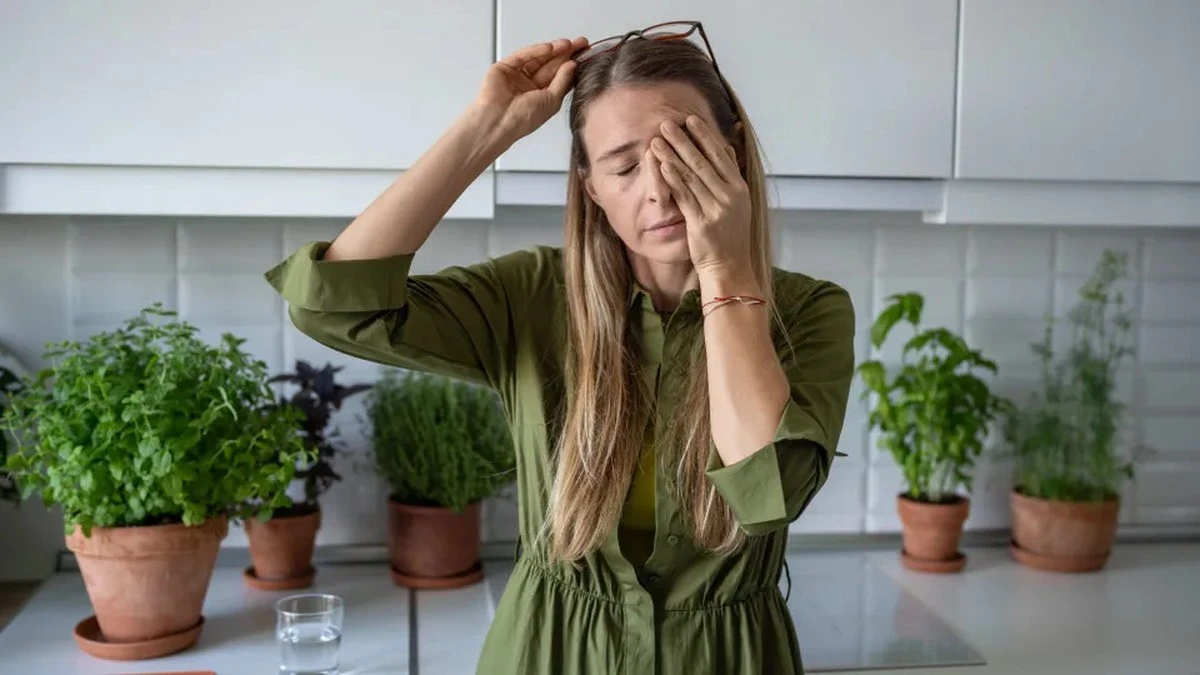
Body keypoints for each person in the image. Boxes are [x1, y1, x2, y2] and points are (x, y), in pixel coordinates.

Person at [265, 22, 855, 675]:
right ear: (591, 185)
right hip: (546, 652)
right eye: (624, 166)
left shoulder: (810, 312)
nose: (658, 191)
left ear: (734, 154)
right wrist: (486, 127)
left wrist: (724, 271)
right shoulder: (531, 295)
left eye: (684, 154)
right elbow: (330, 307)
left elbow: (767, 493)